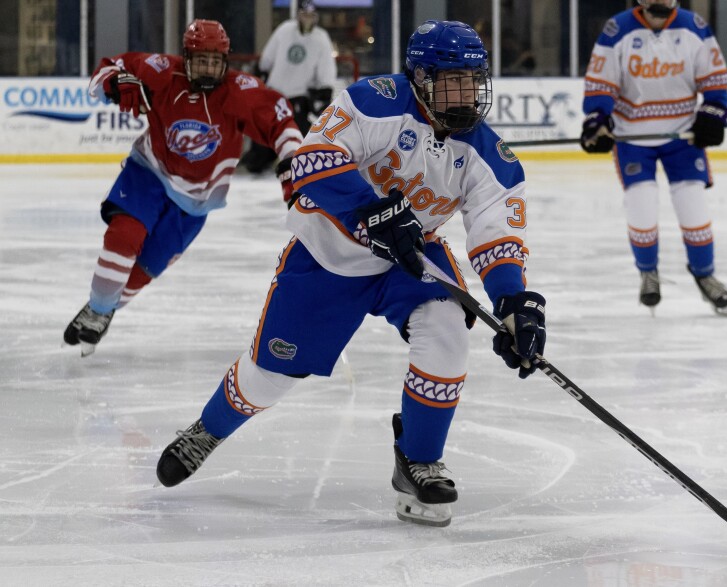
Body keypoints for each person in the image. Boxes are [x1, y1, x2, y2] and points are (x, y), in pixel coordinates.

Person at [155, 20, 547, 528]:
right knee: (268, 379)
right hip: (328, 254)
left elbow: (496, 236)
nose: (466, 93)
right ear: (421, 79)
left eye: (473, 81)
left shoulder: (489, 155)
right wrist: (372, 209)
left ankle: (418, 460)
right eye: (453, 80)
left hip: (410, 258)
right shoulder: (372, 101)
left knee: (449, 330)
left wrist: (514, 302)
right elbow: (312, 163)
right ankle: (208, 429)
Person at [63, 19, 303, 356]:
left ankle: (104, 308)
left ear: (226, 61)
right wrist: (113, 83)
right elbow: (106, 70)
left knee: (145, 269)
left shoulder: (240, 91)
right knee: (124, 237)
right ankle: (98, 310)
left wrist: (295, 165)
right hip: (148, 172)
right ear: (186, 58)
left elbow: (282, 121)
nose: (207, 69)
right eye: (200, 61)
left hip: (197, 201)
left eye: (215, 62)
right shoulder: (162, 71)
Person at [580, 0, 727, 316]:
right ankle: (648, 272)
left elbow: (715, 79)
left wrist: (714, 112)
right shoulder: (617, 30)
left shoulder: (695, 27)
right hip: (632, 137)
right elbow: (600, 84)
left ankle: (705, 275)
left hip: (683, 135)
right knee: (642, 204)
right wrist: (597, 118)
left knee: (693, 207)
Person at [240, 0, 337, 174]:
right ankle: (259, 158)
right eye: (304, 15)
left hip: (298, 98)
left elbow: (326, 67)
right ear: (298, 15)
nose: (307, 19)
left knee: (301, 149)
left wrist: (325, 87)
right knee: (259, 153)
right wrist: (262, 69)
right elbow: (267, 58)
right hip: (273, 96)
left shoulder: (320, 37)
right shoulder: (285, 30)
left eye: (311, 16)